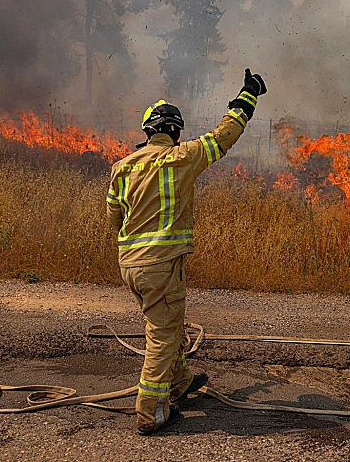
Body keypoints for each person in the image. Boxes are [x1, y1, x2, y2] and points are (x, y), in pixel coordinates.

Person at [106, 68, 267, 435]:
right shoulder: (183, 158)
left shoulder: (121, 168)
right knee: (162, 337)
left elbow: (114, 216)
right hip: (160, 265)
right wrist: (248, 96)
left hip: (129, 264)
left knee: (167, 322)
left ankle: (178, 384)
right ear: (175, 132)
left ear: (147, 132)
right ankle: (151, 412)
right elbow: (225, 136)